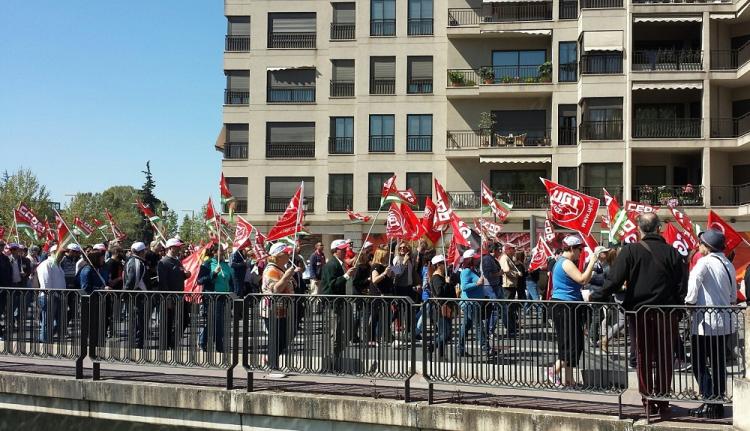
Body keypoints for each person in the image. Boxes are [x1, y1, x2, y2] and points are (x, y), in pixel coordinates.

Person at [591, 212, 687, 415]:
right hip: (666, 313)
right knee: (665, 357)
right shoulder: (673, 253)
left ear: (639, 229)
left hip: (639, 313)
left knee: (642, 356)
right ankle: (662, 400)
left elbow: (614, 281)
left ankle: (648, 399)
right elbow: (682, 286)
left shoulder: (630, 251)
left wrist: (595, 297)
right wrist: (678, 309)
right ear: (658, 228)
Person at [685, 229, 737, 419]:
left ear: (707, 246)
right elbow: (733, 295)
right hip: (724, 322)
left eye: (701, 244)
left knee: (699, 364)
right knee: (718, 365)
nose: (699, 247)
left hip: (706, 324)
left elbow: (693, 284)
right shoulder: (728, 264)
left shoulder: (704, 262)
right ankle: (717, 403)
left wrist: (689, 303)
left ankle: (710, 400)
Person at [548, 235, 597, 387]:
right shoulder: (566, 263)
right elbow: (582, 279)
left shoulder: (563, 262)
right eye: (579, 249)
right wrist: (592, 262)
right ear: (571, 249)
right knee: (571, 344)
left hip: (568, 305)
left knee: (574, 343)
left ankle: (569, 380)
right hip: (564, 306)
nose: (581, 252)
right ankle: (552, 371)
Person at [261, 243, 297, 378]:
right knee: (276, 337)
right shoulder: (271, 270)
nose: (288, 255)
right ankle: (273, 367)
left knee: (286, 335)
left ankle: (270, 358)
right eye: (286, 253)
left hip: (283, 309)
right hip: (272, 309)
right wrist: (287, 276)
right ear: (278, 255)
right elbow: (275, 289)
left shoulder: (281, 268)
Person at [321, 239, 356, 370]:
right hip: (334, 305)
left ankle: (337, 357)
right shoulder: (332, 265)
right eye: (343, 249)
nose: (345, 251)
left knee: (344, 332)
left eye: (345, 248)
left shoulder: (340, 264)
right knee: (335, 334)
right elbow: (331, 286)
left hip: (341, 303)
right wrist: (346, 276)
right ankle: (332, 362)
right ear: (336, 251)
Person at [198, 244, 233, 353]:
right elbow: (200, 280)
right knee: (215, 321)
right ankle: (215, 345)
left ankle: (208, 343)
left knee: (220, 322)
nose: (223, 252)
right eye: (220, 250)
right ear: (214, 252)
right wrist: (214, 273)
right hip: (212, 296)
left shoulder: (226, 265)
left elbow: (230, 281)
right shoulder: (208, 264)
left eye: (223, 250)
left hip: (224, 297)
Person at [157, 238, 191, 348]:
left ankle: (173, 340)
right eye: (177, 246)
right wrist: (168, 299)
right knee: (167, 322)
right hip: (169, 298)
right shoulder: (163, 262)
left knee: (185, 319)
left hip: (179, 296)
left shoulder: (177, 261)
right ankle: (165, 346)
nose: (179, 248)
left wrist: (186, 274)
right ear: (171, 248)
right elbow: (163, 282)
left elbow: (181, 276)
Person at [457, 249, 488, 357]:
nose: (477, 259)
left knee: (465, 326)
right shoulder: (466, 271)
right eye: (475, 258)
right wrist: (477, 283)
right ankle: (485, 348)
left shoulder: (473, 270)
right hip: (470, 303)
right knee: (479, 325)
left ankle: (459, 348)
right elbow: (464, 287)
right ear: (470, 259)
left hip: (474, 302)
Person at [36, 245, 66, 343]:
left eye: (63, 253)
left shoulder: (58, 265)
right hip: (49, 296)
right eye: (60, 253)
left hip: (58, 296)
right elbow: (46, 283)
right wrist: (53, 294)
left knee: (57, 320)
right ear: (52, 252)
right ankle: (45, 342)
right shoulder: (46, 264)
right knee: (47, 321)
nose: (62, 255)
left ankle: (47, 338)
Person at [124, 242, 148, 348]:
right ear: (141, 252)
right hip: (137, 297)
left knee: (138, 320)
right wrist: (127, 293)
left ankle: (136, 343)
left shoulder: (133, 261)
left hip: (136, 296)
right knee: (138, 321)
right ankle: (137, 344)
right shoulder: (136, 263)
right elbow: (133, 281)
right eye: (144, 251)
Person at [430, 254, 454, 359]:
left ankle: (441, 355)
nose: (446, 265)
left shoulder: (442, 277)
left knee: (442, 332)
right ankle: (431, 346)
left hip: (445, 307)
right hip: (440, 308)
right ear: (438, 265)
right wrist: (447, 283)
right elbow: (440, 292)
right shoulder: (436, 278)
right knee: (446, 333)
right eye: (444, 263)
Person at [370, 248, 394, 343]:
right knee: (377, 318)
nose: (388, 256)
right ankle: (375, 338)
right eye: (386, 255)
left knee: (385, 317)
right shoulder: (376, 266)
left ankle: (384, 336)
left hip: (386, 295)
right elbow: (375, 279)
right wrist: (384, 273)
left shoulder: (385, 266)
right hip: (379, 295)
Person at [481, 242, 502, 340]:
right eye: (499, 250)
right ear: (493, 250)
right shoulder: (487, 259)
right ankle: (489, 331)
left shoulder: (492, 259)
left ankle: (489, 331)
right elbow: (487, 274)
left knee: (495, 310)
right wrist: (498, 273)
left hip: (494, 286)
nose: (500, 252)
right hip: (490, 287)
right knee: (494, 310)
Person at [499, 244, 521, 336]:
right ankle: (510, 329)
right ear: (508, 250)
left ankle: (512, 327)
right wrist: (516, 273)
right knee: (507, 308)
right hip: (507, 286)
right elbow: (506, 270)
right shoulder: (505, 258)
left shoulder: (508, 258)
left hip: (510, 286)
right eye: (513, 249)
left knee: (510, 308)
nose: (514, 251)